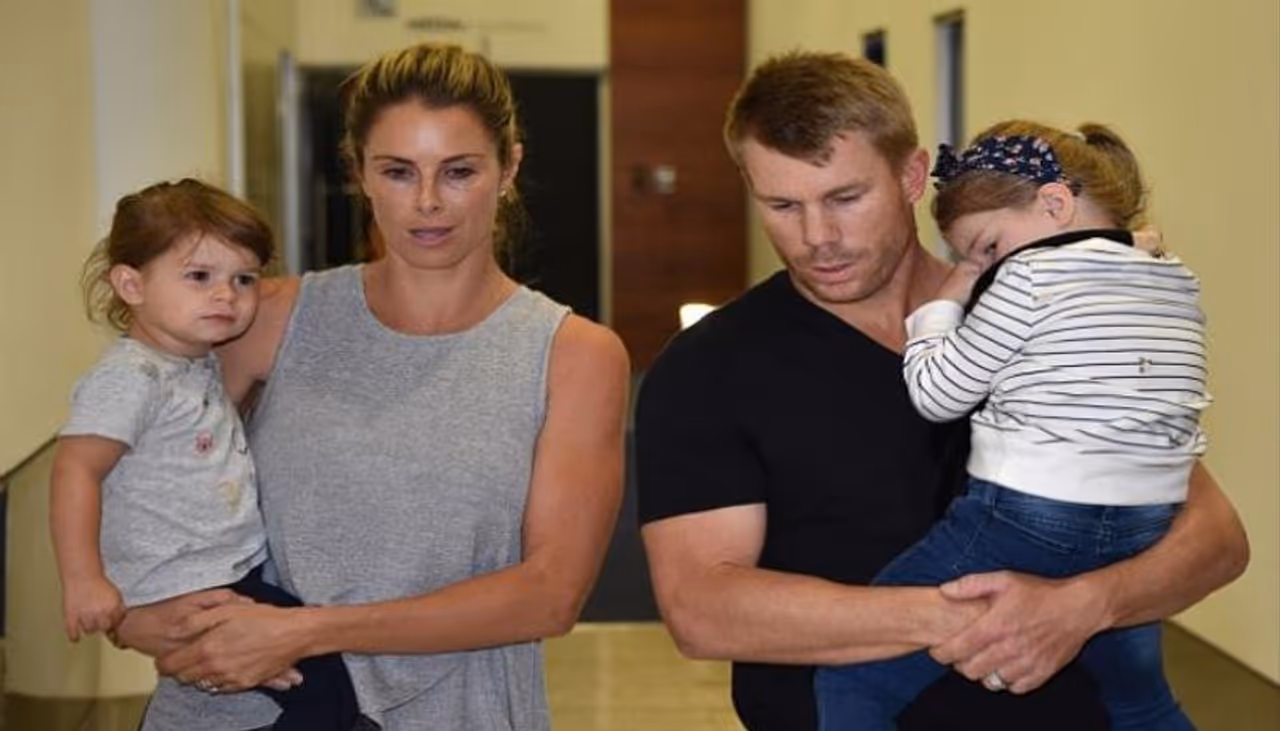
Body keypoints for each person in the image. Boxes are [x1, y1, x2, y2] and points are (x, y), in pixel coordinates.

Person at [635, 50, 1248, 731]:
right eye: (782, 205)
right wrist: (979, 616)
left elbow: (1216, 539)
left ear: (911, 175)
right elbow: (703, 610)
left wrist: (1084, 605)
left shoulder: (1043, 310)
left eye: (845, 198)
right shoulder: (709, 368)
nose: (817, 238)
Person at [110, 43, 630, 731]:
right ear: (359, 172)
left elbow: (549, 594)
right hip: (235, 709)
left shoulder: (572, 354)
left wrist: (307, 631)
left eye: (459, 171)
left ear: (508, 168)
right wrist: (132, 617)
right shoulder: (269, 318)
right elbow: (130, 482)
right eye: (397, 171)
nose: (427, 201)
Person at [813, 122, 1205, 730]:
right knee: (1139, 701)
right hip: (1145, 524)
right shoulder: (1173, 277)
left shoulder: (1028, 277)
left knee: (851, 676)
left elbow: (938, 395)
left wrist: (940, 308)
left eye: (988, 248)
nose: (985, 269)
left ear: (1055, 203)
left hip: (1033, 518)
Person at [49, 178, 359, 730]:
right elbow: (76, 468)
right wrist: (84, 578)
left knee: (306, 678)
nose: (226, 295)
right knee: (319, 677)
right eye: (199, 277)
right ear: (131, 284)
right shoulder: (130, 377)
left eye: (244, 279)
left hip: (223, 570)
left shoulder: (195, 360)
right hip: (190, 583)